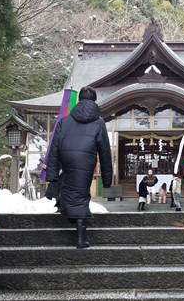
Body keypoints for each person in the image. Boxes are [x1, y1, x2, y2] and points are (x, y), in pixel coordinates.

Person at [45, 86, 113, 249]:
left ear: (79, 100)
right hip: (86, 159)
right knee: (81, 194)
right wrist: (107, 178)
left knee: (69, 187)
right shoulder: (99, 122)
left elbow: (54, 147)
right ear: (95, 100)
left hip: (66, 158)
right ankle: (81, 238)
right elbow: (104, 150)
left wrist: (52, 173)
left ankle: (69, 214)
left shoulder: (65, 121)